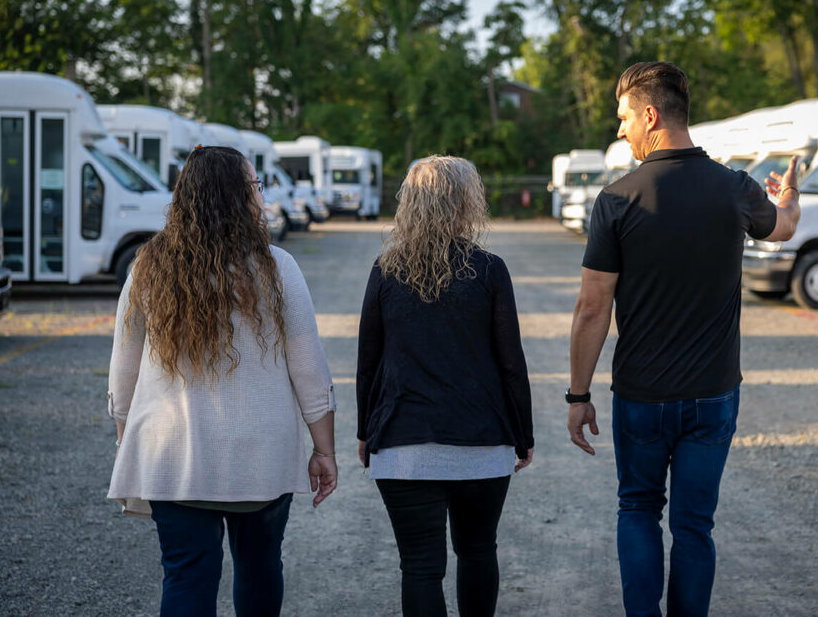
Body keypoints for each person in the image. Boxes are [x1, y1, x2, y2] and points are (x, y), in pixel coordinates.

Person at [566, 62, 801, 617]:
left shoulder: (617, 199)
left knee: (639, 510)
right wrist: (789, 195)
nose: (620, 130)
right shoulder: (734, 188)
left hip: (642, 397)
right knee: (695, 526)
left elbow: (592, 307)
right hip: (713, 395)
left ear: (651, 115)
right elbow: (785, 227)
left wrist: (578, 396)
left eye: (624, 117)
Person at [106, 145, 337, 617]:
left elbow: (123, 369)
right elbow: (309, 368)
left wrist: (126, 439)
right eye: (254, 185)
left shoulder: (147, 268)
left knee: (187, 574)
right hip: (260, 458)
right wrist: (324, 450)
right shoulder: (276, 268)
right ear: (237, 196)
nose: (260, 194)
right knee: (259, 567)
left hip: (172, 456)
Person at [356, 155, 534, 617]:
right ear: (466, 203)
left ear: (409, 204)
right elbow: (511, 362)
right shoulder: (490, 270)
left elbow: (368, 364)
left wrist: (365, 432)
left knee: (419, 567)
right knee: (478, 552)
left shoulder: (385, 269)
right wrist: (523, 435)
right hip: (481, 441)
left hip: (401, 443)